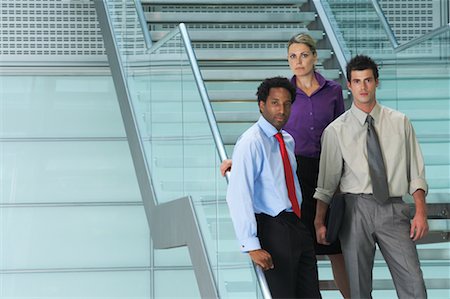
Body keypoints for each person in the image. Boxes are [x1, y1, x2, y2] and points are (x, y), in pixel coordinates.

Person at [221, 33, 350, 298]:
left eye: (303, 55)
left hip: (313, 193)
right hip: (282, 205)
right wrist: (250, 244)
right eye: (292, 56)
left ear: (314, 56)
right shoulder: (257, 134)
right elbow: (241, 190)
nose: (282, 109)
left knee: (319, 274)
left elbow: (342, 132)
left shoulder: (291, 135)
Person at [314, 55, 428, 299]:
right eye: (357, 81)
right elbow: (327, 183)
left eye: (367, 80)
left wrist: (420, 211)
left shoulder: (400, 122)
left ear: (377, 82)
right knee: (358, 288)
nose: (363, 87)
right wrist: (319, 220)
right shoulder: (335, 130)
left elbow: (415, 172)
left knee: (414, 285)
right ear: (349, 85)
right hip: (355, 210)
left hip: (394, 208)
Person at [226, 76, 321, 298]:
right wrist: (251, 244)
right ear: (262, 105)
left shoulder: (287, 140)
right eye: (275, 103)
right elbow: (239, 195)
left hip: (296, 225)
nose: (282, 109)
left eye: (287, 104)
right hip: (272, 229)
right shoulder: (251, 142)